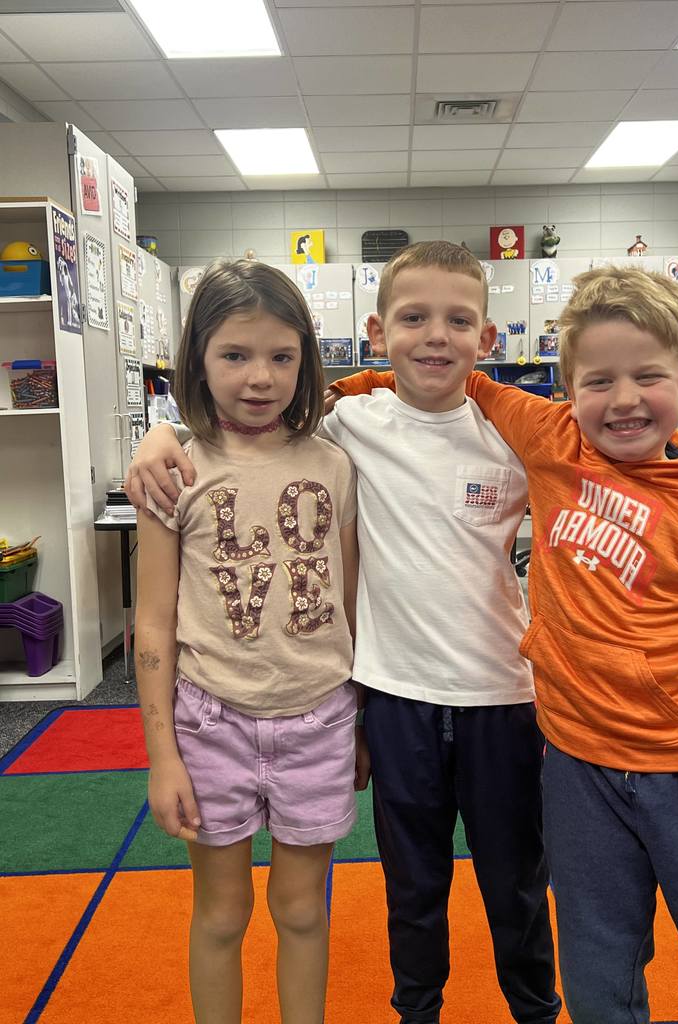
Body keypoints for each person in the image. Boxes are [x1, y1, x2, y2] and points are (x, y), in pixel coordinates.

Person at [126, 245, 678, 1024]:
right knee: (414, 887)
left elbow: (631, 444)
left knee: (517, 883)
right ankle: (417, 1009)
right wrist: (157, 440)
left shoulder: (522, 431)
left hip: (505, 695)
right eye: (414, 319)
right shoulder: (349, 424)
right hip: (394, 698)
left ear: (487, 339)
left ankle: (534, 1008)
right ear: (377, 330)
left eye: (458, 320)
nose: (435, 336)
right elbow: (282, 406)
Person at [333, 264, 678, 1024]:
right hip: (556, 750)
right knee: (577, 959)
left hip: (664, 753)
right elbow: (433, 376)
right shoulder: (533, 433)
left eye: (648, 376)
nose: (625, 398)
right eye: (598, 380)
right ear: (568, 391)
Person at [133, 258, 363, 1024]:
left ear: (306, 359)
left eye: (281, 356)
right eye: (234, 355)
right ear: (199, 357)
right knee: (223, 914)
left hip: (321, 716)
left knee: (301, 911)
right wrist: (162, 753)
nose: (259, 377)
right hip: (210, 721)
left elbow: (352, 601)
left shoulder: (335, 463)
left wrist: (361, 721)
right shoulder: (176, 472)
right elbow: (154, 625)